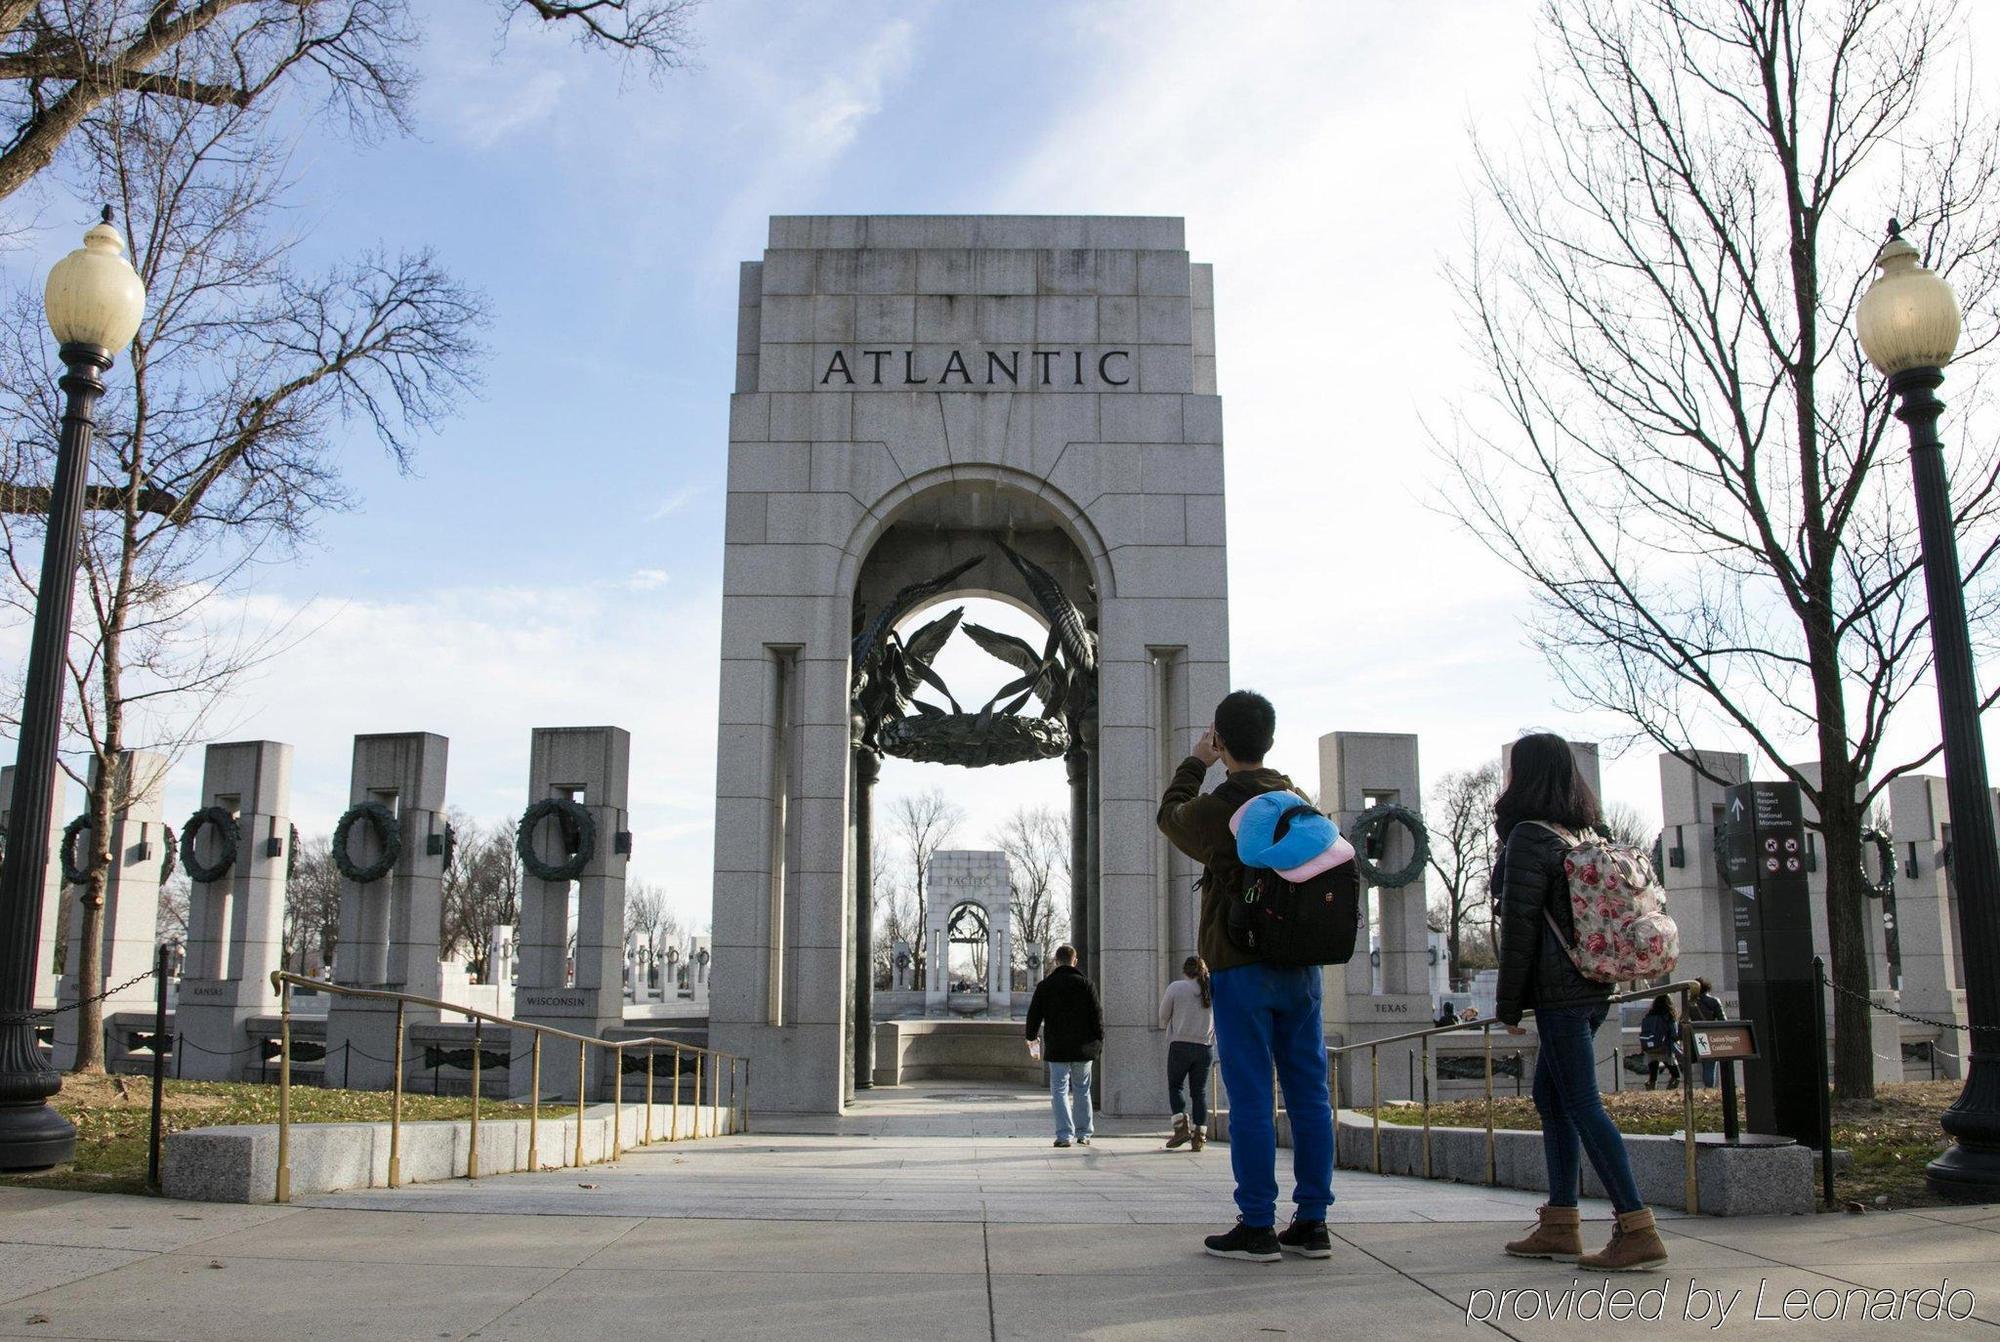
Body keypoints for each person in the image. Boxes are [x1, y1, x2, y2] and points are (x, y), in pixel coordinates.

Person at [1158, 689, 1334, 1263]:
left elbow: (1169, 815)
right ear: (1271, 738)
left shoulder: (1221, 806)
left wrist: (1196, 762)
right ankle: (1312, 1222)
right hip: (1303, 966)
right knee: (1310, 1094)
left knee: (1253, 1095)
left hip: (1240, 965)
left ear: (1222, 738)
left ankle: (1257, 1224)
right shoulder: (1297, 800)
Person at [1494, 732, 1668, 1272]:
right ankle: (1561, 1223)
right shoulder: (1583, 833)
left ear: (1524, 776)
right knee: (1552, 1099)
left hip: (1559, 993)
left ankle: (1635, 1225)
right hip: (1593, 986)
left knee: (1582, 1106)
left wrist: (1508, 1003)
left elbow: (1520, 925)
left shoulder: (1530, 836)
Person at [1024, 944, 1103, 1148]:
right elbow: (1097, 1015)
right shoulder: (1086, 985)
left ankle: (1064, 1135)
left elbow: (1033, 1016)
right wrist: (1099, 1041)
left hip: (1057, 1047)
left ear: (1056, 961)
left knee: (1058, 1090)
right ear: (1074, 961)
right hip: (1083, 1048)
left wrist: (1031, 1037)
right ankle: (1084, 1133)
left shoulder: (1045, 986)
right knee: (1082, 1089)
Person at [1161, 956, 1215, 1151]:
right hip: (1205, 1047)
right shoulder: (1211, 988)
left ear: (1185, 971)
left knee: (1176, 1086)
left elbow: (1163, 1015)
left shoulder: (1176, 988)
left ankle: (1180, 1127)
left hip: (1180, 1044)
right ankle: (1199, 1136)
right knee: (1199, 1092)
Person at [1687, 978, 1725, 1087]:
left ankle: (1706, 1088)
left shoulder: (1690, 1003)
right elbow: (1723, 1020)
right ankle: (1709, 1088)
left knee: (1704, 1064)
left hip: (1697, 1036)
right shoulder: (1714, 1001)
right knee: (1710, 1064)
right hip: (1711, 1035)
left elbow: (1684, 1021)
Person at [1640, 995, 1683, 1090]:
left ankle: (1651, 1092)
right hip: (1665, 1049)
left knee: (1653, 1076)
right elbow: (1673, 1035)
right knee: (1676, 1076)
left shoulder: (1649, 1016)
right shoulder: (1669, 1016)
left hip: (1650, 1049)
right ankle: (1669, 1093)